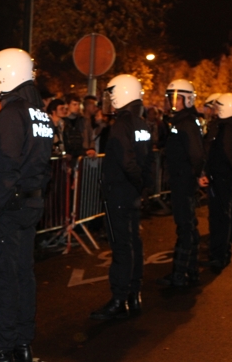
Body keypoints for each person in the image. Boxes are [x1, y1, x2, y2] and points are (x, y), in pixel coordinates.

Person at [0, 48, 53, 362]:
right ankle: (23, 343)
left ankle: (5, 348)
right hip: (29, 205)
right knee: (23, 276)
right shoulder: (39, 112)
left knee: (3, 280)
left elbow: (5, 168)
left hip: (8, 210)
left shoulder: (11, 113)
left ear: (6, 73)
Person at [90, 74, 153, 320]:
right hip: (132, 194)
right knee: (133, 242)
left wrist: (131, 183)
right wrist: (141, 187)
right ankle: (134, 294)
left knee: (120, 246)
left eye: (112, 93)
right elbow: (147, 160)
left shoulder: (122, 125)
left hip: (118, 193)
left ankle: (118, 299)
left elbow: (127, 161)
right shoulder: (142, 122)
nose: (110, 99)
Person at [156, 79, 204, 287]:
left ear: (189, 100)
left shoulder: (186, 123)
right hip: (182, 179)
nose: (172, 102)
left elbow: (195, 153)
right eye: (170, 98)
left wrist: (195, 174)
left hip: (183, 181)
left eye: (177, 98)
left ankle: (179, 275)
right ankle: (190, 270)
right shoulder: (180, 122)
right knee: (188, 226)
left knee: (185, 227)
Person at [200, 93, 232, 273]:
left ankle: (218, 255)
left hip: (221, 179)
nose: (216, 110)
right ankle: (222, 252)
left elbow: (229, 154)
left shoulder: (226, 128)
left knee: (219, 218)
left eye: (219, 107)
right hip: (226, 178)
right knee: (225, 216)